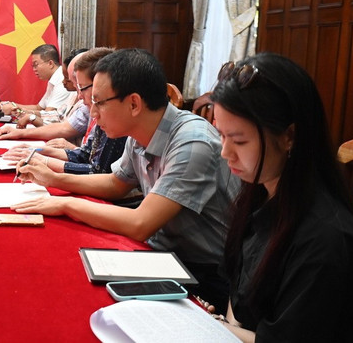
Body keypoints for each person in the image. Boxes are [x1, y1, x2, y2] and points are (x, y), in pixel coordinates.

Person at [13, 48, 239, 311]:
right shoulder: (138, 132)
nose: (93, 113)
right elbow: (115, 184)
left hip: (204, 275)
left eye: (99, 102)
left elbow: (140, 223)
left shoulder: (192, 143)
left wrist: (65, 204)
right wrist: (53, 179)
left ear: (133, 104)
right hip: (162, 253)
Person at [209, 54, 353, 341]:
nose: (225, 152)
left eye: (239, 140)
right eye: (221, 135)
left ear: (289, 136)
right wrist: (225, 326)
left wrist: (214, 328)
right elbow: (235, 296)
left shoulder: (326, 239)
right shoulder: (258, 195)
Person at [4, 47, 126, 176]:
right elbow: (86, 154)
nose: (79, 95)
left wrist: (48, 167)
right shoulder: (98, 108)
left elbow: (100, 173)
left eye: (81, 87)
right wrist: (38, 151)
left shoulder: (113, 116)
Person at [0, 50, 87, 144]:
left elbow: (64, 129)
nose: (63, 81)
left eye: (68, 79)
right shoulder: (73, 94)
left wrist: (24, 128)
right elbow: (57, 116)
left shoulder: (84, 103)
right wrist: (25, 113)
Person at [0, 44, 70, 116]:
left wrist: (20, 111)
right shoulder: (53, 79)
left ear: (50, 63)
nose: (34, 69)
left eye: (36, 65)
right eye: (33, 66)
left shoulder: (62, 79)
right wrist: (13, 105)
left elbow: (48, 114)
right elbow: (39, 107)